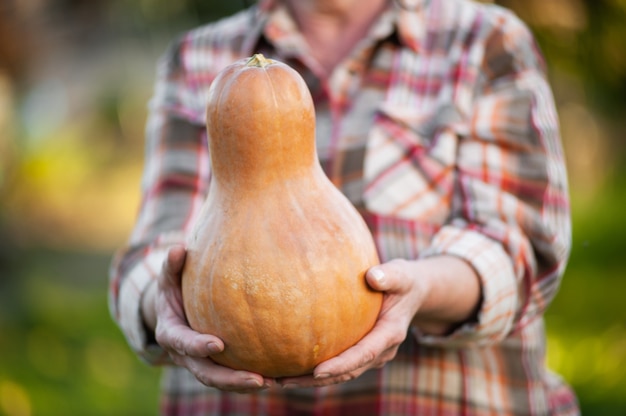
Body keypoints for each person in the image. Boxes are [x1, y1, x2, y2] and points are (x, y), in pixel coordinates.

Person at [109, 0, 580, 414]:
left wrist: (422, 288)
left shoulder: (484, 41)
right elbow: (154, 251)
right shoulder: (198, 58)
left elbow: (521, 248)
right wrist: (162, 303)